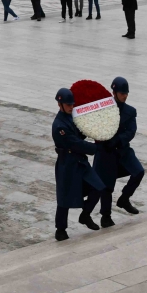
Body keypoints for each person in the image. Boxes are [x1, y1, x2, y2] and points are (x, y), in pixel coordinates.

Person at [51, 87, 104, 241]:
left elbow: (80, 131)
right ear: (60, 104)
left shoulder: (71, 117)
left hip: (80, 162)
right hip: (67, 164)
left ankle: (85, 215)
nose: (71, 107)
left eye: (72, 104)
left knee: (98, 187)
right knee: (64, 198)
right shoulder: (59, 126)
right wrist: (95, 148)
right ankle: (60, 229)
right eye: (68, 105)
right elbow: (75, 143)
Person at [93, 77, 143, 225]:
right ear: (114, 93)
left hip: (122, 151)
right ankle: (106, 216)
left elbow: (131, 131)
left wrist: (118, 139)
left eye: (126, 93)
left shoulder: (130, 111)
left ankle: (124, 198)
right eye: (122, 93)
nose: (124, 96)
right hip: (106, 152)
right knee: (106, 186)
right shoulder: (104, 109)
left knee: (138, 171)